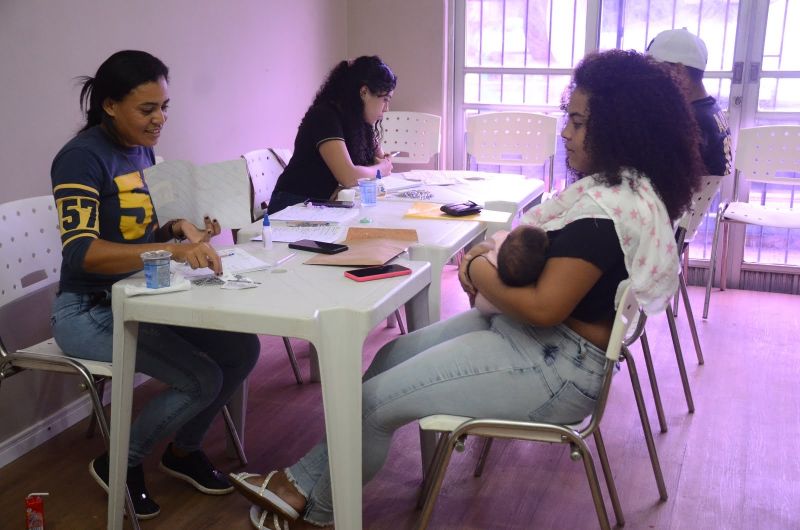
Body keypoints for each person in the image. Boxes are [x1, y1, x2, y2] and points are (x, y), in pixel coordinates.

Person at [229, 49, 703, 530]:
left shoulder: (604, 213)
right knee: (389, 359)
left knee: (373, 405)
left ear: (618, 129)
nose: (565, 132)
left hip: (557, 365)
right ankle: (309, 486)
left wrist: (477, 272)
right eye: (569, 119)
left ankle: (314, 501)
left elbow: (543, 307)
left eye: (577, 123)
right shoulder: (624, 193)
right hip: (547, 344)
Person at [50, 50, 260, 520]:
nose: (159, 119)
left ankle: (183, 452)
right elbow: (81, 251)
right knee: (200, 378)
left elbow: (144, 229)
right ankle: (118, 463)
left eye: (165, 107)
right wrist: (171, 252)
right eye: (148, 109)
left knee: (241, 350)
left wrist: (180, 229)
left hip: (142, 295)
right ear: (109, 105)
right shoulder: (80, 159)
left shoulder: (139, 148)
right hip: (87, 310)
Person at [267, 55, 398, 214]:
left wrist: (380, 164)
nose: (386, 109)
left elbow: (381, 159)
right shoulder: (325, 116)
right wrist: (380, 169)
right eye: (385, 99)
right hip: (292, 204)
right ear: (364, 92)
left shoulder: (359, 120)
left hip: (321, 202)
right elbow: (349, 177)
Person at [646, 27, 733, 176]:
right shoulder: (710, 110)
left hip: (684, 198)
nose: (650, 80)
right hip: (702, 198)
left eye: (655, 71)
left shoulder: (690, 121)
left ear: (679, 72)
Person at [473, 225, 549, 315]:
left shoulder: (500, 240)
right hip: (516, 310)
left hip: (483, 303)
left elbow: (487, 243)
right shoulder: (537, 265)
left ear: (508, 237)